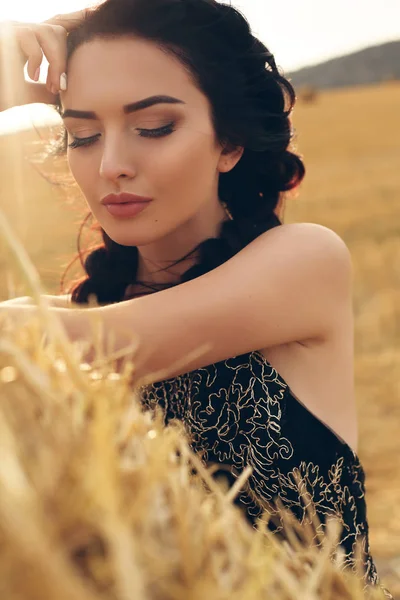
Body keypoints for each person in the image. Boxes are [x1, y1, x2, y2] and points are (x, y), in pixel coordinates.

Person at [0, 1, 393, 597]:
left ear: (228, 143)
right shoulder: (79, 315)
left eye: (154, 127)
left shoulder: (305, 262)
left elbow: (75, 344)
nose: (111, 165)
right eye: (82, 134)